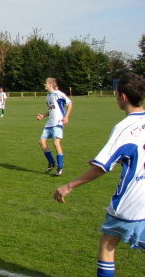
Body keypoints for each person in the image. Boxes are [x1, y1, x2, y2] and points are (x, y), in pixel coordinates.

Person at [54, 72, 145, 277]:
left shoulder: (123, 128)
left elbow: (101, 168)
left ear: (123, 97)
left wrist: (68, 186)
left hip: (131, 202)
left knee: (108, 243)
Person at [37, 78, 73, 176]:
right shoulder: (48, 96)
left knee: (56, 143)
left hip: (58, 121)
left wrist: (66, 117)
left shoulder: (58, 93)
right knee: (41, 141)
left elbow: (70, 104)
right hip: (50, 122)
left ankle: (60, 167)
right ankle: (52, 162)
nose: (44, 84)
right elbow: (52, 109)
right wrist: (43, 116)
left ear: (50, 84)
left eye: (46, 83)